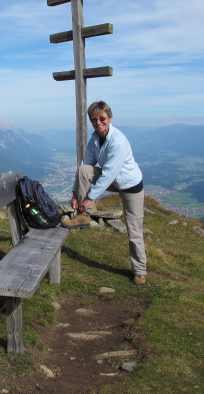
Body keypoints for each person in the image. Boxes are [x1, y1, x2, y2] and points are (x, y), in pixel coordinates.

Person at [61, 101, 147, 285]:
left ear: (110, 118)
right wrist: (76, 193)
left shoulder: (118, 141)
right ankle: (84, 216)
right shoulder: (94, 139)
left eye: (102, 118)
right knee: (83, 170)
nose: (98, 122)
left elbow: (108, 174)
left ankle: (140, 272)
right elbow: (86, 164)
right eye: (94, 119)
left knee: (134, 230)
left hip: (130, 185)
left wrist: (89, 198)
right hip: (115, 181)